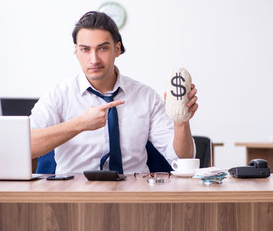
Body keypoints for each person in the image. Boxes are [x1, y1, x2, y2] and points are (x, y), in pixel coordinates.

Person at [30, 11, 198, 174]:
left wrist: (181, 123)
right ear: (76, 51)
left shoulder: (146, 97)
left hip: (134, 192)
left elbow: (181, 159)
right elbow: (26, 147)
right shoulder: (59, 95)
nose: (94, 59)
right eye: (85, 49)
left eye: (102, 48)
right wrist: (79, 124)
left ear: (117, 49)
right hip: (76, 194)